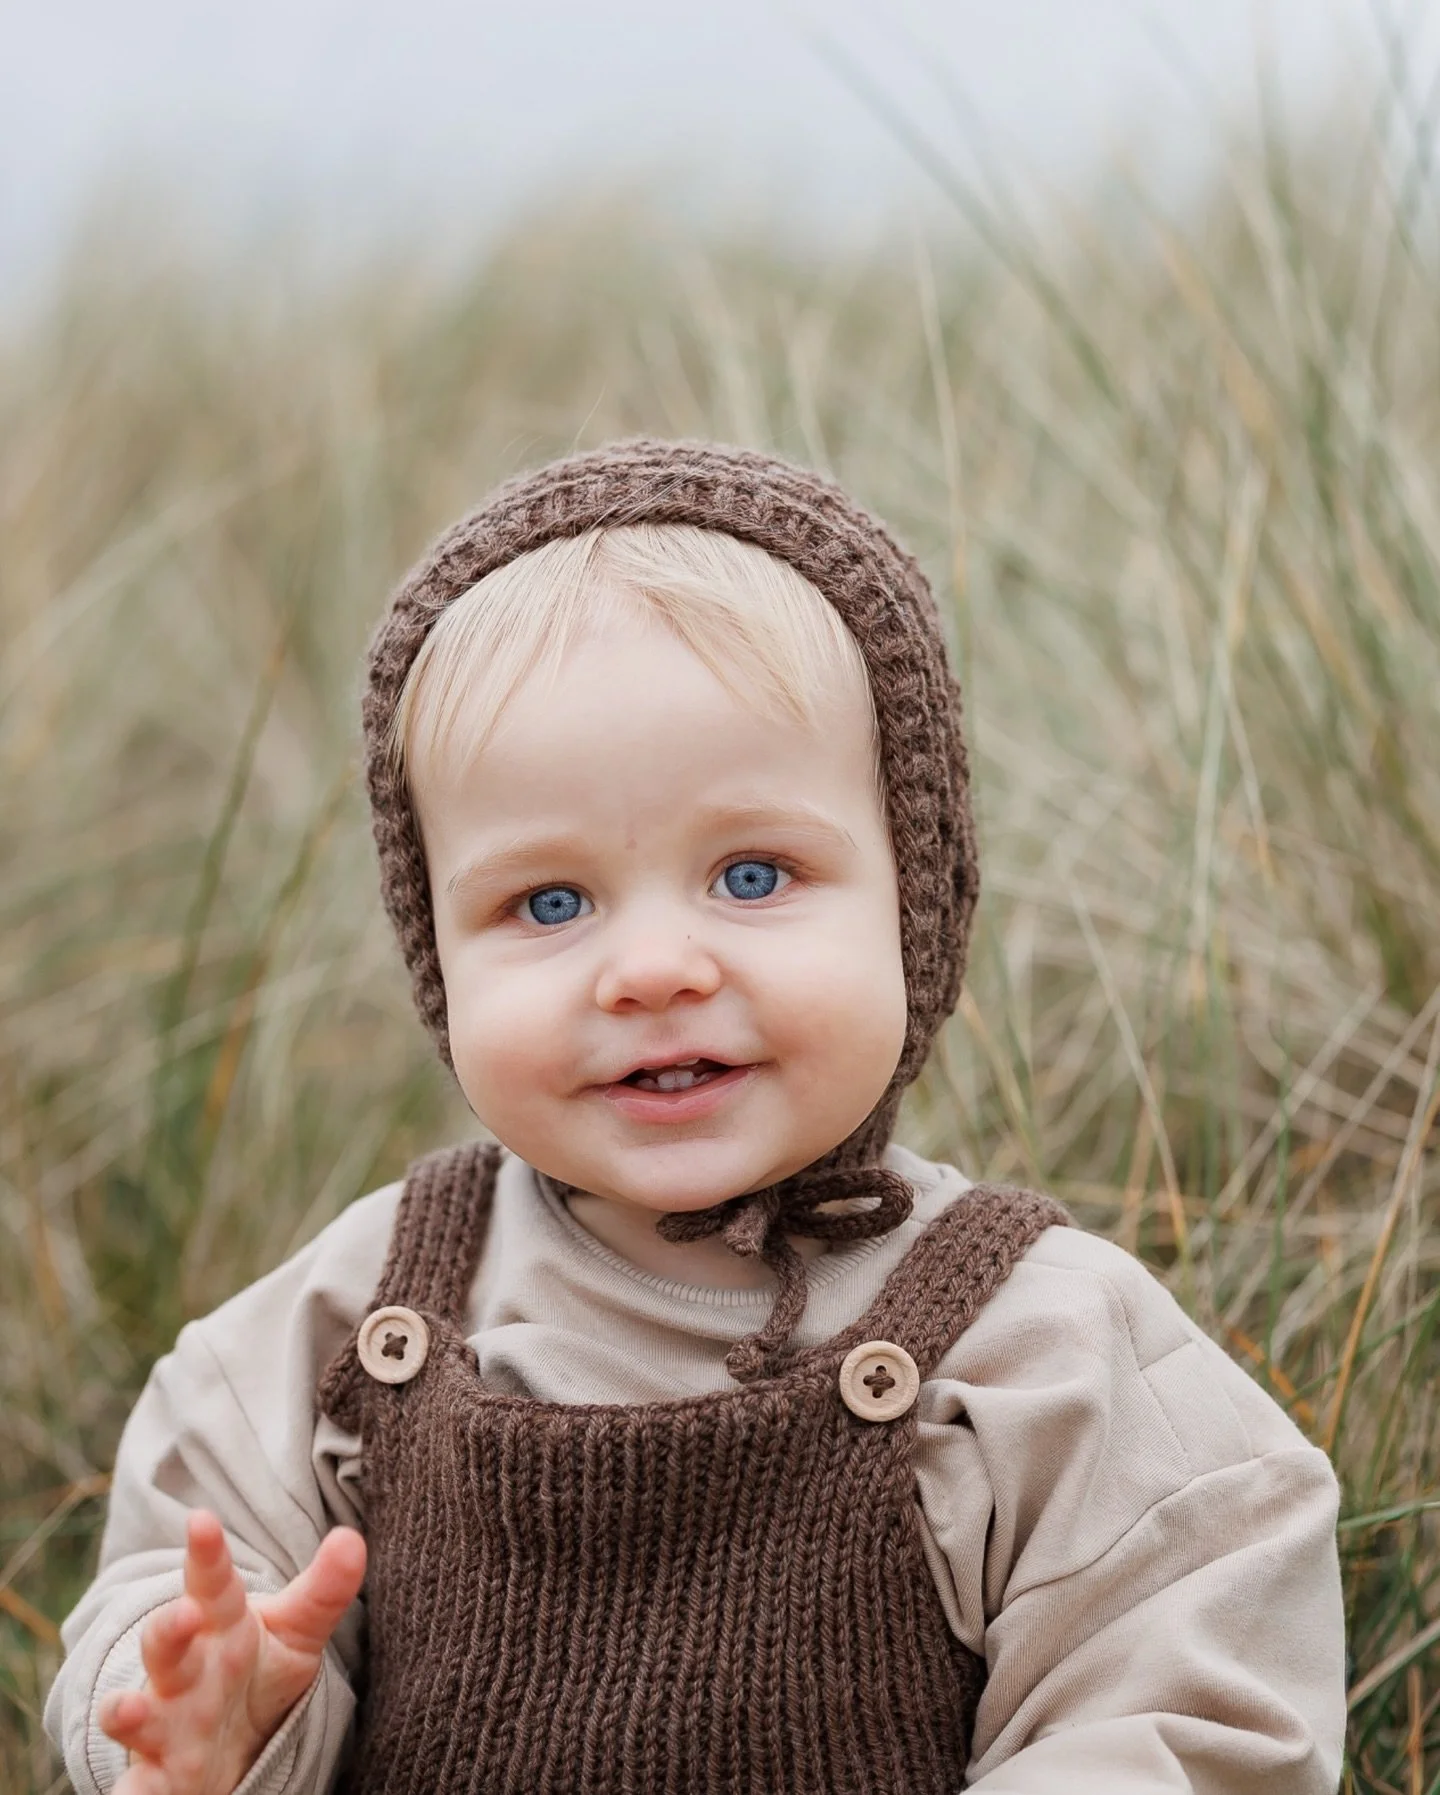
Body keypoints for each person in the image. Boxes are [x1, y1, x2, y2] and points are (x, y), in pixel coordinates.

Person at [46, 440, 1347, 1795]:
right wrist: (210, 1710)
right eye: (548, 902)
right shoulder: (347, 1329)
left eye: (752, 871)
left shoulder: (1043, 1351)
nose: (653, 966)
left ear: (912, 899)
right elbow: (178, 1568)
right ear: (437, 951)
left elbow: (1196, 1686)